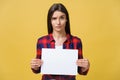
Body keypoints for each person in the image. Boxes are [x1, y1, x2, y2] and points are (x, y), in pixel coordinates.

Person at [31, 3, 90, 80]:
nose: (58, 22)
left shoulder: (76, 41)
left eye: (62, 18)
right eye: (54, 18)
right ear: (50, 21)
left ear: (66, 19)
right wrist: (34, 66)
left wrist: (86, 67)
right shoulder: (42, 41)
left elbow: (80, 70)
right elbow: (38, 69)